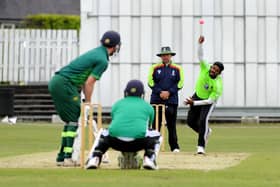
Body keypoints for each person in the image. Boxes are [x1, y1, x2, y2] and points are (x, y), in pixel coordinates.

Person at [48, 30, 121, 166]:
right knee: (75, 120)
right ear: (115, 46)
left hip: (57, 82)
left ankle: (61, 157)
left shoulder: (96, 52)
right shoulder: (103, 60)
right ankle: (68, 158)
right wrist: (88, 102)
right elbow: (89, 82)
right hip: (64, 84)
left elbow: (82, 78)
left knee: (71, 120)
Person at [86, 80, 162, 170]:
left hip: (115, 141)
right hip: (138, 142)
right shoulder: (148, 107)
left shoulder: (117, 104)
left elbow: (116, 122)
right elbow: (147, 127)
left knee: (103, 132)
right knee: (156, 134)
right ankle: (149, 159)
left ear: (126, 92)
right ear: (142, 94)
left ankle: (94, 158)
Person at [184, 35, 224, 154]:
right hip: (197, 96)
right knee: (190, 122)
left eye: (216, 70)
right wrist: (200, 44)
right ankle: (206, 132)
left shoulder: (218, 85)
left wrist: (194, 103)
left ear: (219, 73)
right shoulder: (205, 68)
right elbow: (200, 56)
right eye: (213, 68)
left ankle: (201, 147)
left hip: (208, 102)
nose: (213, 70)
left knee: (202, 121)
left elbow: (209, 101)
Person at [148, 46, 184, 152]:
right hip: (156, 99)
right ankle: (153, 146)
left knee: (171, 124)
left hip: (171, 99)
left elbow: (180, 83)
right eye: (163, 55)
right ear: (161, 56)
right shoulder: (154, 67)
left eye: (167, 55)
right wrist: (160, 92)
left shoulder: (178, 68)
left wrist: (169, 92)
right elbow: (150, 82)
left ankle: (174, 147)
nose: (165, 57)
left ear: (171, 56)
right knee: (155, 123)